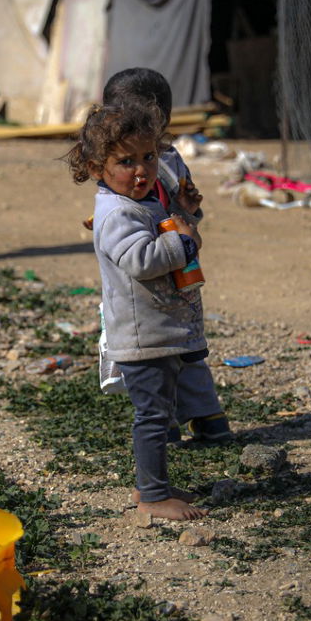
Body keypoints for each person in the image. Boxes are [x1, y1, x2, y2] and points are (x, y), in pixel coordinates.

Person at [66, 96, 210, 521]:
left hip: (160, 329)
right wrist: (184, 242)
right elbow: (142, 260)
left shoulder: (142, 201)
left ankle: (153, 483)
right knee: (151, 417)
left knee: (158, 411)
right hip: (142, 335)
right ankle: (151, 496)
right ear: (96, 169)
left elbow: (167, 226)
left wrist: (184, 213)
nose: (142, 170)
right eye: (127, 162)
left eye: (149, 157)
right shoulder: (115, 213)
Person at [101, 68, 234, 444]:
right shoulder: (167, 157)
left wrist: (183, 221)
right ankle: (209, 418)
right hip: (178, 267)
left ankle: (166, 426)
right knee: (185, 347)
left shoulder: (154, 161)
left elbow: (156, 211)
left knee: (158, 353)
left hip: (161, 268)